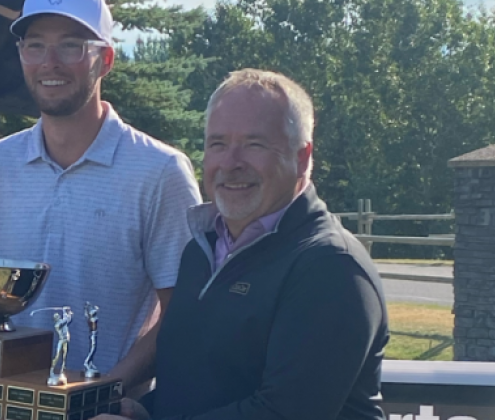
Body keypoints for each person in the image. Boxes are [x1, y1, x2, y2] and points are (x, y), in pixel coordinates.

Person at [96, 69, 389, 420]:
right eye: (218, 144)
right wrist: (143, 411)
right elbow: (192, 387)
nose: (231, 163)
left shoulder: (331, 267)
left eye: (254, 144)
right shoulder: (201, 252)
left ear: (302, 156)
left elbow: (285, 413)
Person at [0, 0, 202, 394]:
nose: (49, 63)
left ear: (105, 59)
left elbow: (182, 311)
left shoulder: (160, 171)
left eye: (71, 45)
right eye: (35, 45)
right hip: (5, 405)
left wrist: (104, 392)